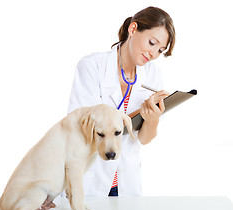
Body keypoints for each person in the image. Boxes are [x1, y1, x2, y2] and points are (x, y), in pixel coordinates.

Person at [67, 6, 176, 197]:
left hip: (126, 181)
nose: (153, 54)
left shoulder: (153, 75)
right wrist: (138, 115)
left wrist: (152, 119)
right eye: (151, 43)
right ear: (133, 29)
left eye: (160, 50)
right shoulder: (92, 67)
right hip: (90, 176)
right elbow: (83, 125)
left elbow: (143, 138)